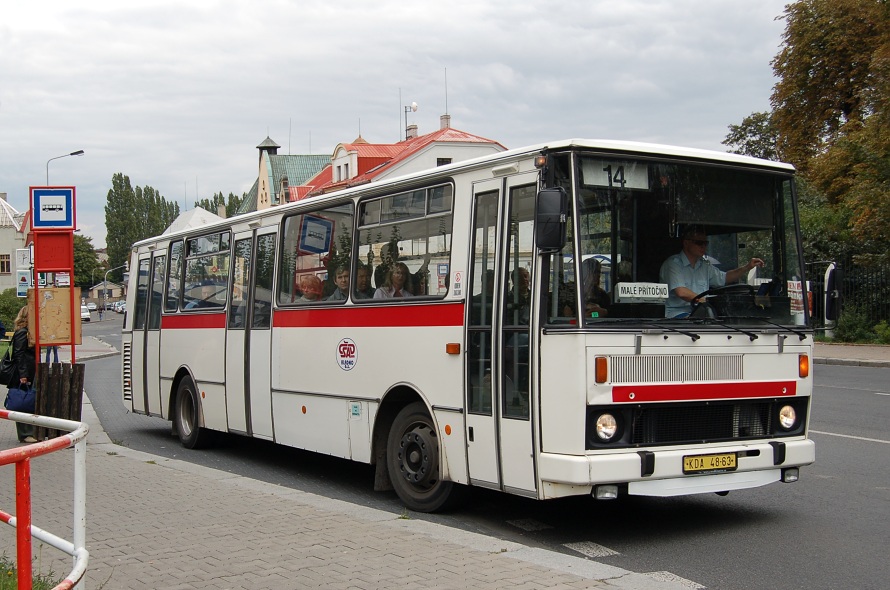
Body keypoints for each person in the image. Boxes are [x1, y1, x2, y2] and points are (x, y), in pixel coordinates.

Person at [660, 226, 764, 318]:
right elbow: (681, 292)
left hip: (702, 314)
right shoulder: (673, 264)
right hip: (677, 316)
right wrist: (708, 302)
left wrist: (747, 267)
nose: (703, 247)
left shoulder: (705, 265)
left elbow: (725, 277)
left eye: (706, 243)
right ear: (686, 243)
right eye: (699, 243)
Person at [8, 306, 37, 443]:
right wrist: (23, 374)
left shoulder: (28, 332)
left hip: (28, 370)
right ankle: (25, 433)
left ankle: (29, 432)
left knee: (27, 400)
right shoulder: (22, 332)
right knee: (23, 401)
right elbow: (18, 354)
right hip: (25, 372)